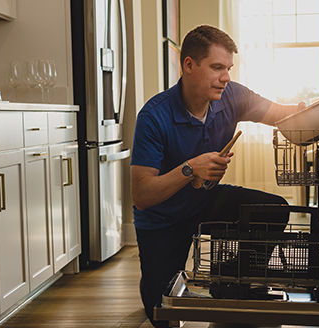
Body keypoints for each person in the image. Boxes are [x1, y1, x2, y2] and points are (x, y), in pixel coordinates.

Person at [130, 25, 306, 327]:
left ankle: (231, 279)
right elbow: (142, 196)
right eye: (217, 67)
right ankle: (161, 284)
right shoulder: (153, 116)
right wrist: (191, 169)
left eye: (228, 68)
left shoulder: (231, 95)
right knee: (162, 313)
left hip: (204, 201)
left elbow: (281, 114)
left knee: (275, 209)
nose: (226, 77)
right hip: (162, 219)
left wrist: (310, 110)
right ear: (189, 65)